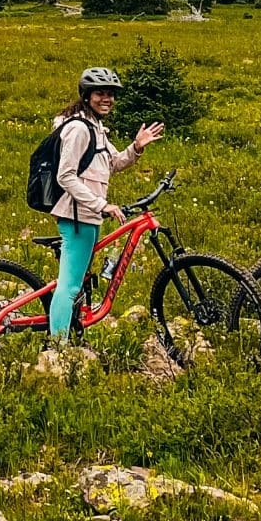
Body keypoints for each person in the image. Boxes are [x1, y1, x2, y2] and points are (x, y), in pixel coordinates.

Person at [43, 68, 166, 343]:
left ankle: (70, 334)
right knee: (70, 286)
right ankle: (58, 349)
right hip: (77, 217)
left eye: (110, 94)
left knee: (78, 282)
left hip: (88, 216)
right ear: (87, 96)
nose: (107, 99)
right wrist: (102, 205)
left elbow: (113, 164)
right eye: (100, 93)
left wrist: (136, 147)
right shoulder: (78, 129)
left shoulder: (95, 127)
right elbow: (65, 176)